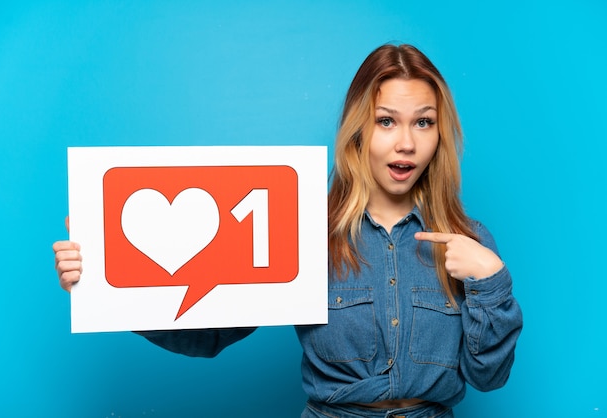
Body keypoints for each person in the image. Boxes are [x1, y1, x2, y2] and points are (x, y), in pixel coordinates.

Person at [54, 44, 523, 418]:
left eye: (423, 122)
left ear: (440, 134)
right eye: (386, 121)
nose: (406, 142)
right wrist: (104, 282)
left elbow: (488, 377)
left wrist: (491, 282)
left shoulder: (467, 241)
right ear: (358, 130)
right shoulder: (302, 229)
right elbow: (209, 334)